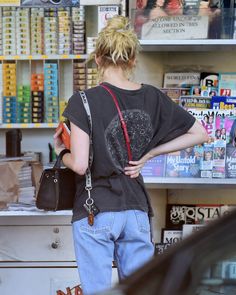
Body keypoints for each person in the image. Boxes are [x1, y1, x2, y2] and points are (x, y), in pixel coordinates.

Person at [53, 15, 208, 295]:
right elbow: (199, 133)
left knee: (98, 290)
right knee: (140, 290)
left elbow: (78, 164)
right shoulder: (152, 96)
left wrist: (61, 150)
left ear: (97, 59)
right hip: (136, 207)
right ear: (132, 60)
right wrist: (148, 155)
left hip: (95, 208)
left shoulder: (83, 101)